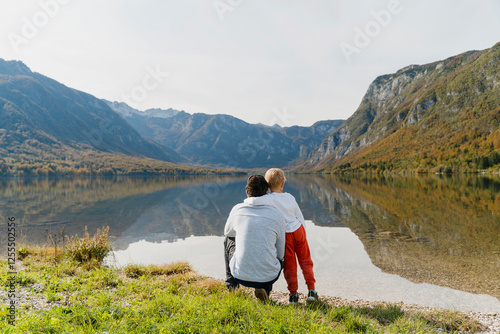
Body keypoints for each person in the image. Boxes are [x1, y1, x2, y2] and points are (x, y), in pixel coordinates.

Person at [224, 175, 286, 301]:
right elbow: (280, 253)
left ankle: (231, 287)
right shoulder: (278, 214)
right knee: (274, 246)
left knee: (228, 240)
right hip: (269, 276)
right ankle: (265, 290)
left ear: (247, 192)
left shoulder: (237, 209)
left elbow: (228, 232)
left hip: (240, 276)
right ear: (267, 192)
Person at [264, 168, 318, 305]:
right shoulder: (290, 197)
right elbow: (299, 216)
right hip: (298, 230)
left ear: (268, 186)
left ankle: (293, 295)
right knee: (306, 261)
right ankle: (311, 291)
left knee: (290, 266)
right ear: (283, 183)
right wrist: (303, 234)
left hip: (285, 235)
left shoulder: (268, 199)